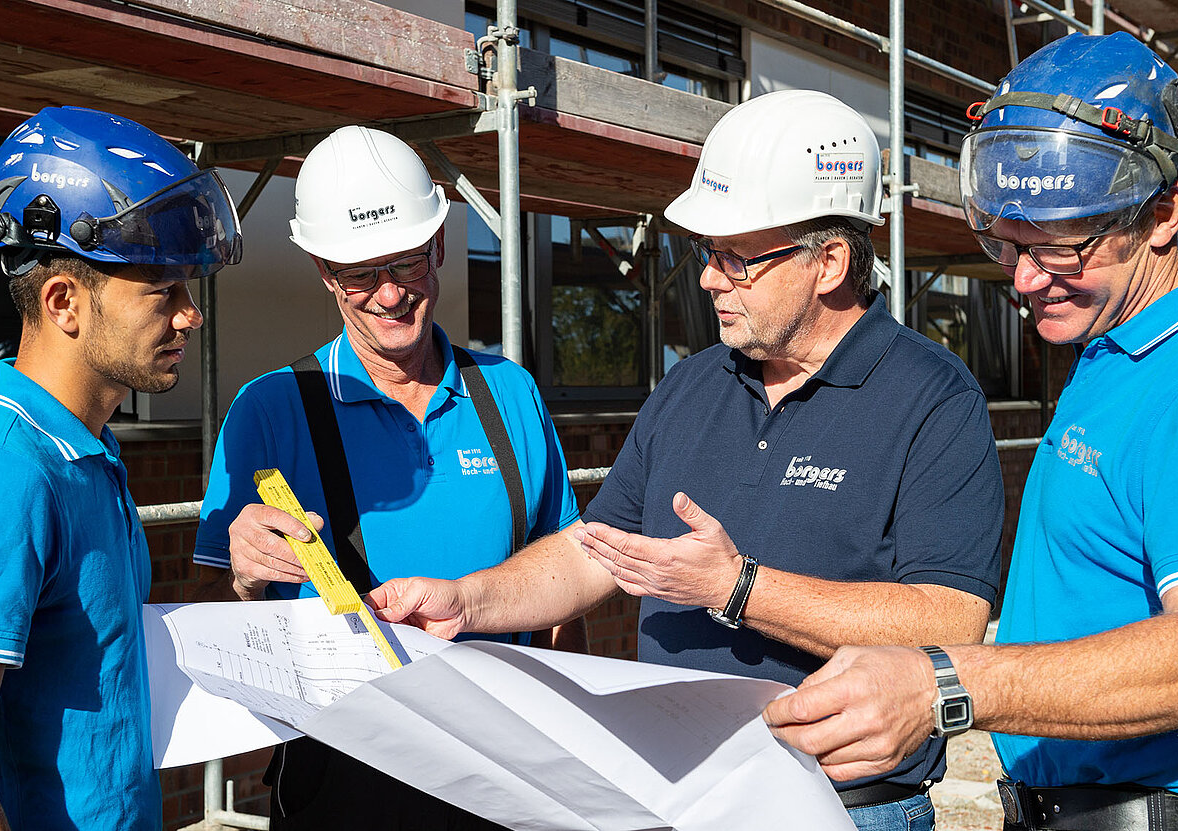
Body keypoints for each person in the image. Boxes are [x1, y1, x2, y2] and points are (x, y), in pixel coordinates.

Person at [370, 89, 1005, 831]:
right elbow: (596, 552)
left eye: (737, 258)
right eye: (709, 254)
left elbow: (950, 620)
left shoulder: (931, 397)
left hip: (838, 810)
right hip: (674, 800)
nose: (708, 278)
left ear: (829, 261)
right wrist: (468, 600)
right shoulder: (693, 383)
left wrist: (737, 587)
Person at [763, 32, 1178, 831]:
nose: (1027, 279)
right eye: (1007, 245)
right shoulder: (1113, 345)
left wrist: (943, 682)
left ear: (1164, 215)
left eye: (1060, 247)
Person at [192, 125, 580, 830]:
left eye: (405, 262)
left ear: (437, 247)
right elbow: (215, 621)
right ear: (322, 270)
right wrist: (245, 580)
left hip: (510, 774)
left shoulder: (510, 395)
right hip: (345, 782)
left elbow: (565, 586)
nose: (390, 294)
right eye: (360, 274)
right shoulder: (270, 410)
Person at [0, 106, 242, 830]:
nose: (189, 315)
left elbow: (100, 668)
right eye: (161, 290)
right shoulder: (0, 475)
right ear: (64, 303)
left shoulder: (88, 449)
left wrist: (243, 584)